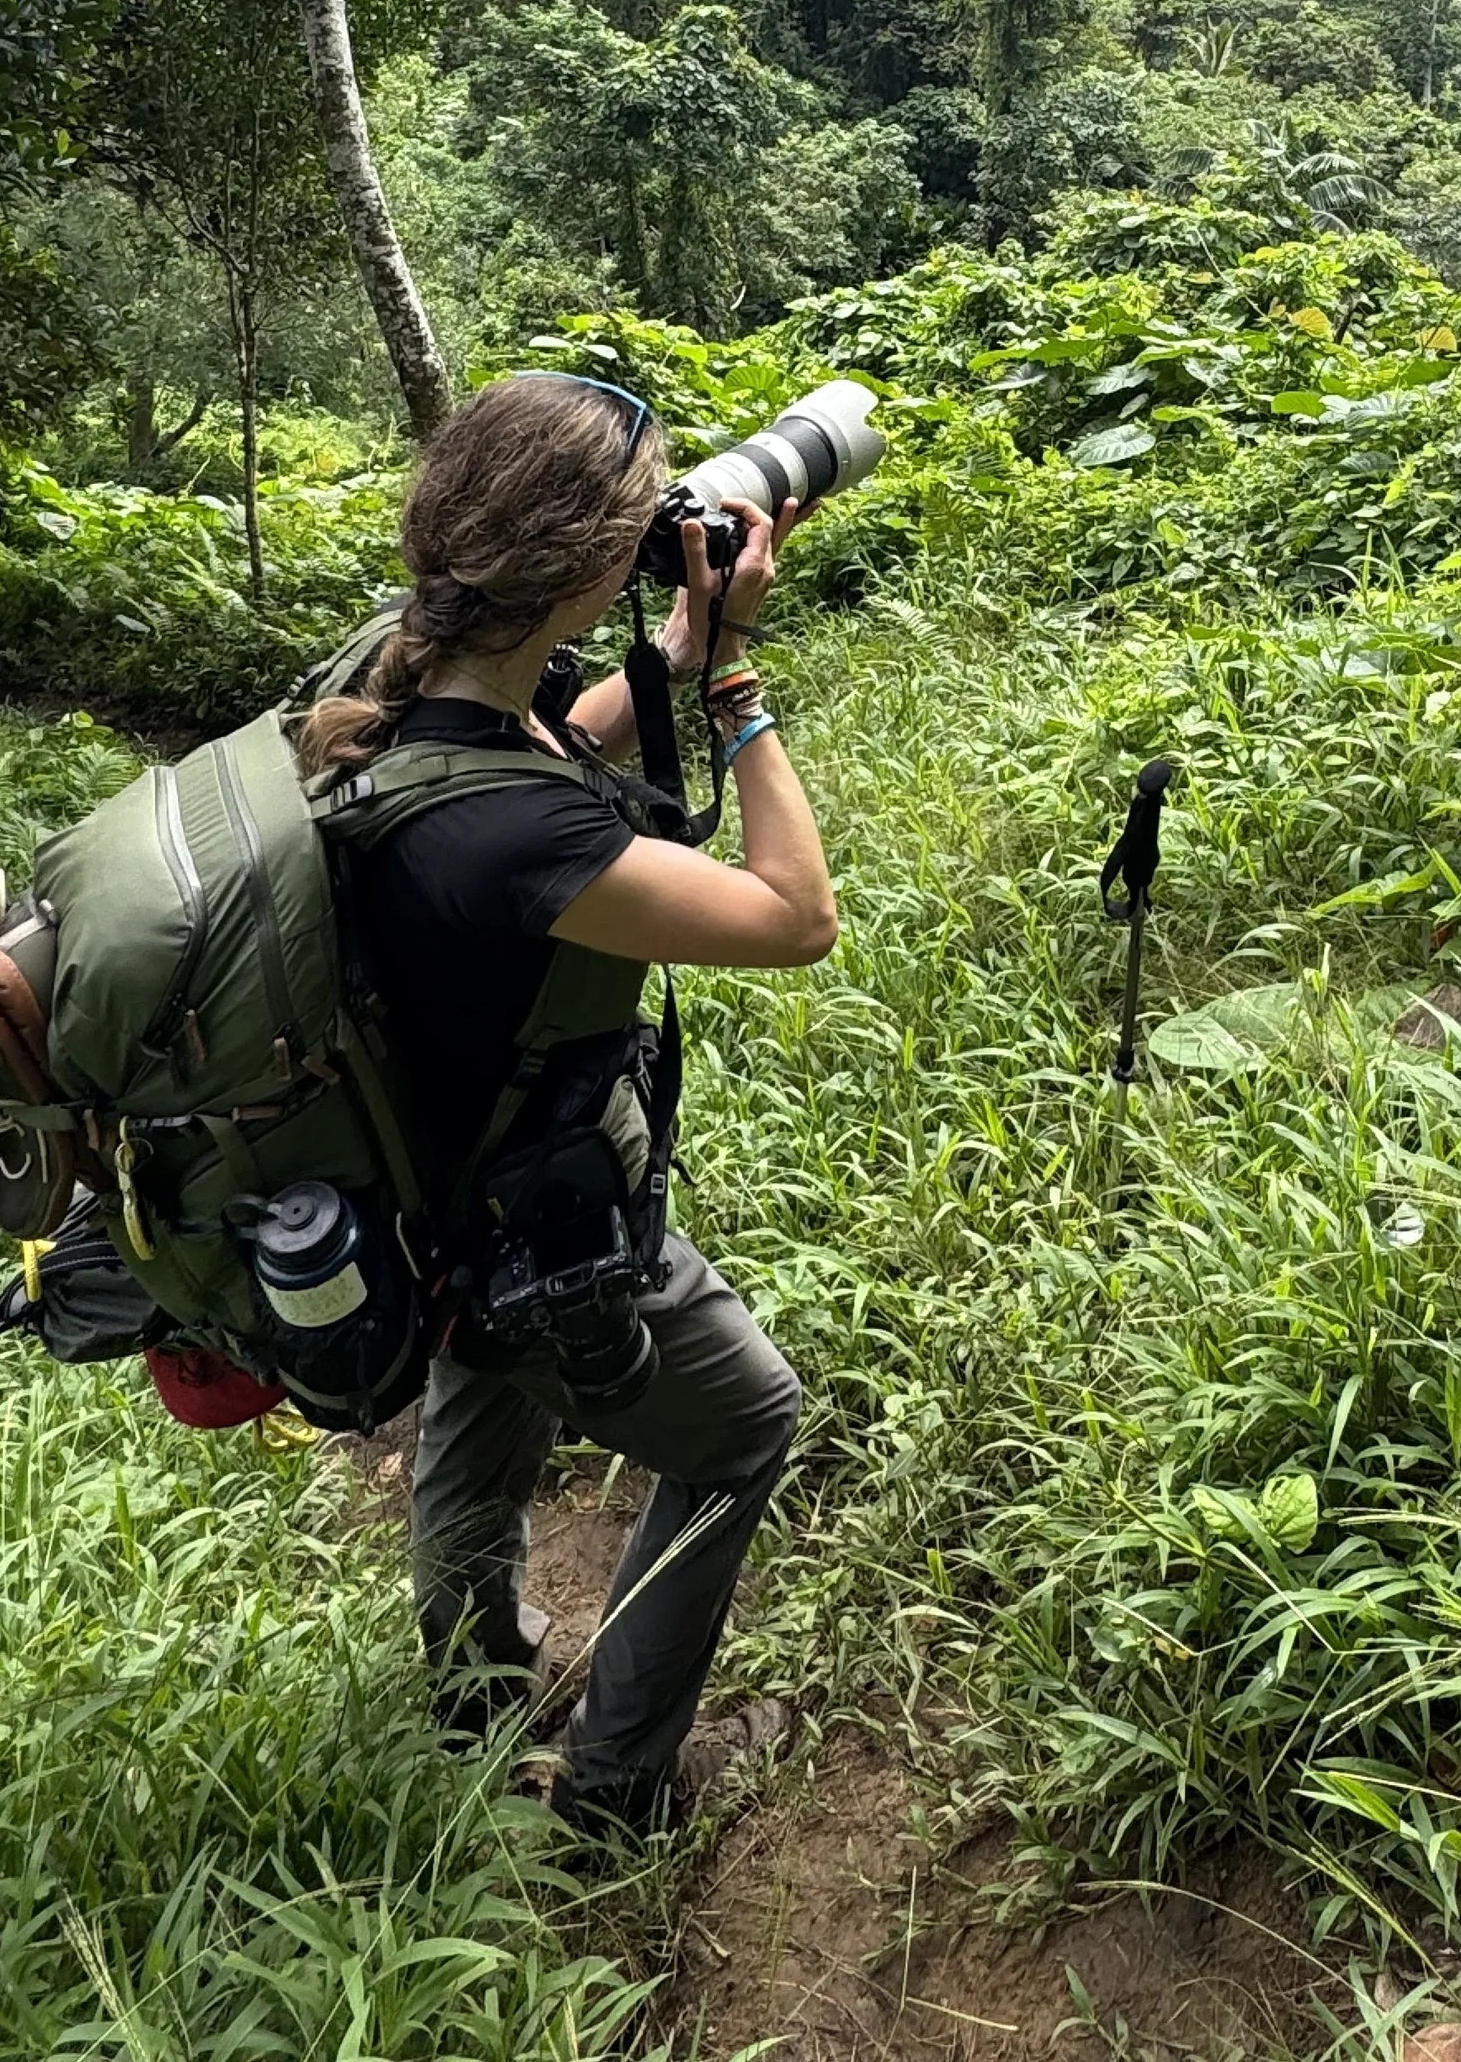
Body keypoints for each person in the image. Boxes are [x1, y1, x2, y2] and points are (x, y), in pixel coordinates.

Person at [292, 371, 839, 1837]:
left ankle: (473, 1687)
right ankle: (614, 1798)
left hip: (434, 1184)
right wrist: (732, 679)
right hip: (538, 1201)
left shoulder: (400, 697)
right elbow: (794, 916)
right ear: (587, 564)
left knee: (485, 1375)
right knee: (742, 1427)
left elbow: (559, 746)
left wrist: (672, 639)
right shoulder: (514, 840)